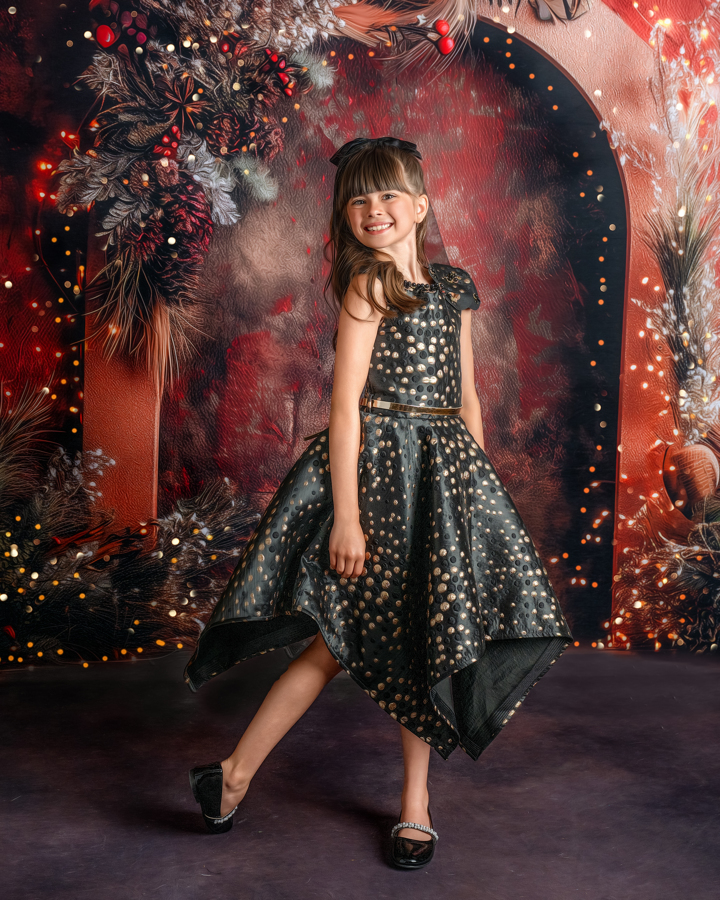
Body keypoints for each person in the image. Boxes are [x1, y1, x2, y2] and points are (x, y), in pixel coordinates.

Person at [185, 136, 573, 869]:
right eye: (359, 199)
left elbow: (465, 397)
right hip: (379, 477)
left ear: (421, 206)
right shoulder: (365, 289)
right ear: (346, 214)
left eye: (389, 195)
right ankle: (231, 775)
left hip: (441, 478)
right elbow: (344, 409)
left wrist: (473, 495)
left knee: (427, 637)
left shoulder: (454, 288)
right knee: (333, 639)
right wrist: (350, 517)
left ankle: (414, 807)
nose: (374, 210)